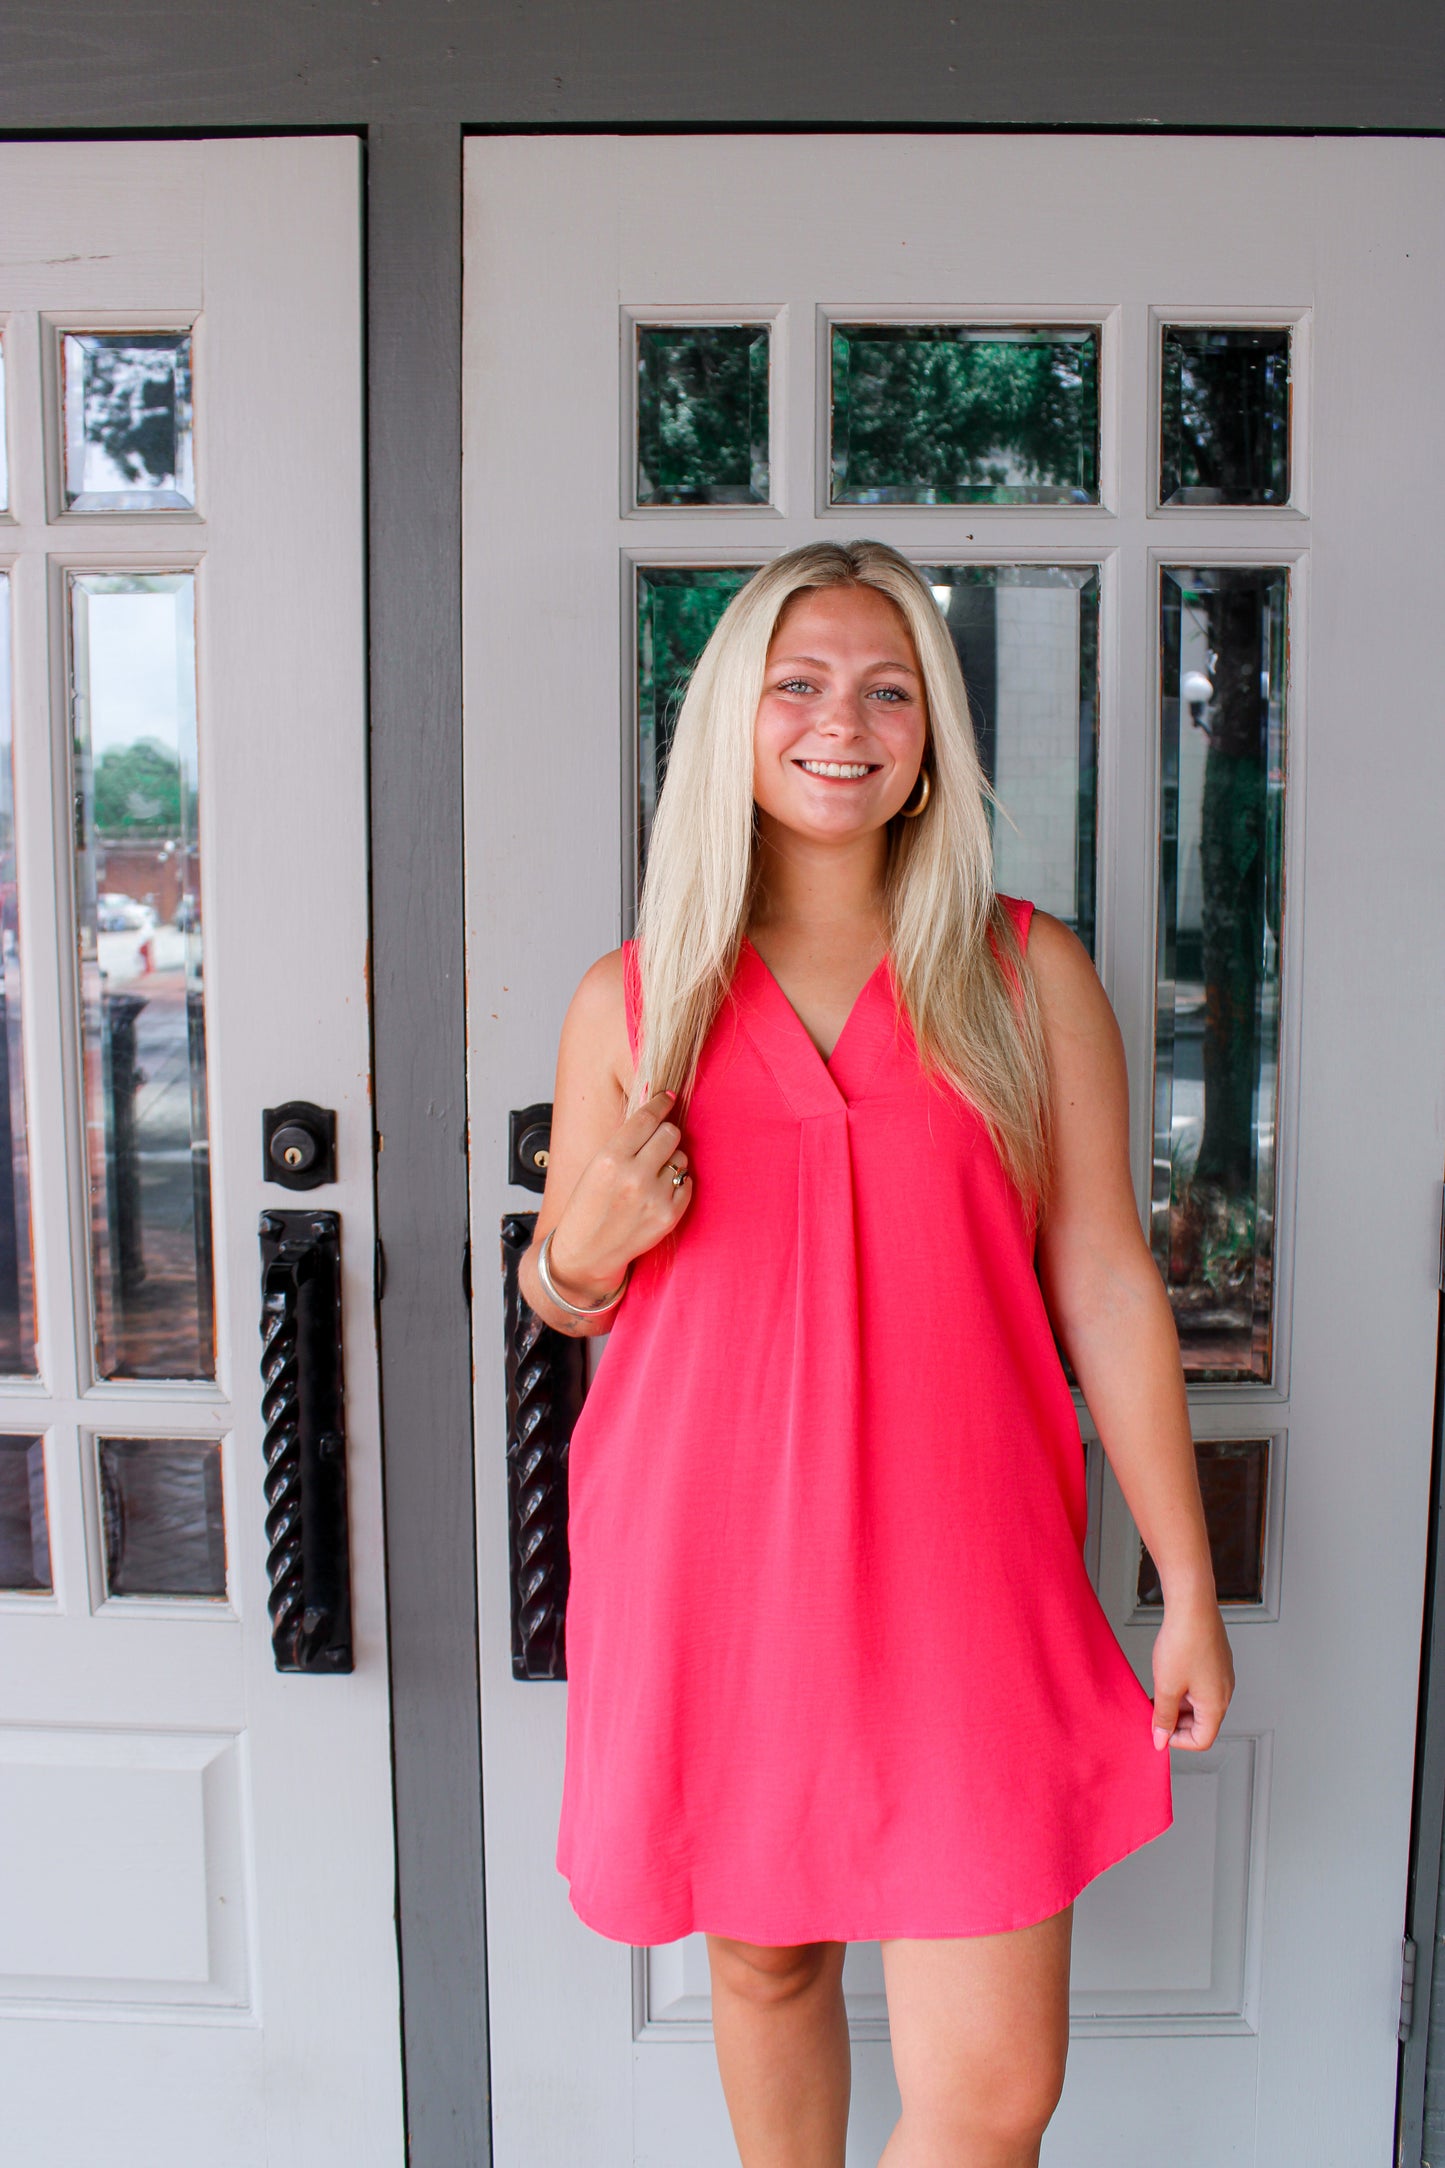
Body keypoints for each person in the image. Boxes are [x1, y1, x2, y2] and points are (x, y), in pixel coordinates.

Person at [519, 540, 1235, 2168]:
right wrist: (581, 1243)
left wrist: (1180, 1585)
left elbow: (1108, 1284)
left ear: (929, 735)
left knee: (990, 2101)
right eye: (798, 681)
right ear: (734, 721)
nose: (841, 721)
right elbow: (569, 1290)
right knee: (766, 1960)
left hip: (959, 1573)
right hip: (713, 1556)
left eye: (886, 687)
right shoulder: (631, 1003)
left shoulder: (1024, 976)